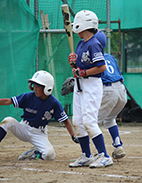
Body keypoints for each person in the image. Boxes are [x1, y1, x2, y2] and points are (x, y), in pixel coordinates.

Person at [0, 70, 79, 161]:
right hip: (24, 127)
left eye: (38, 86)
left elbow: (65, 120)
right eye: (33, 85)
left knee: (50, 155)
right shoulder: (29, 97)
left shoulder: (54, 103)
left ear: (47, 88)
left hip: (39, 133)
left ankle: (34, 153)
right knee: (8, 121)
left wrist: (73, 135)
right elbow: (8, 101)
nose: (34, 89)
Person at [68, 10, 113, 168]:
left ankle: (104, 156)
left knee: (88, 121)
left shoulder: (94, 43)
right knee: (78, 121)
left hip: (92, 84)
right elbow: (78, 69)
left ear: (83, 25)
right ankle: (86, 155)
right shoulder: (81, 43)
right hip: (80, 84)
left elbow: (101, 67)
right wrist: (73, 64)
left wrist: (83, 72)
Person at [94, 30, 127, 159]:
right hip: (122, 91)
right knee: (110, 119)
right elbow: (120, 77)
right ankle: (118, 146)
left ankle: (100, 152)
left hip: (108, 91)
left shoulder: (94, 57)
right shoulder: (110, 57)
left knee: (93, 122)